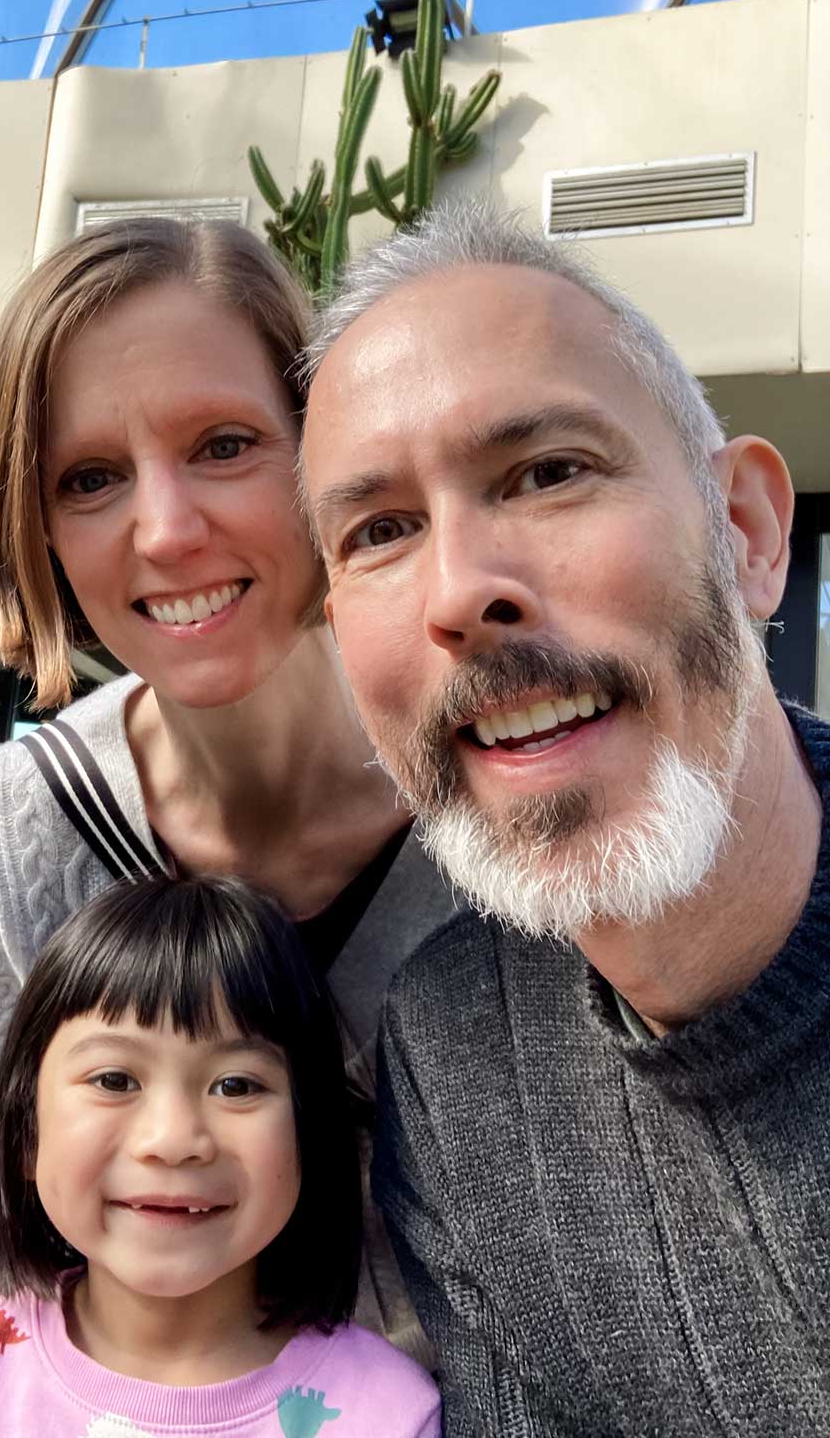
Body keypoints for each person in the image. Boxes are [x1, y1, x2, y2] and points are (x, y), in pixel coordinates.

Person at [297, 201, 830, 1435]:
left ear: (746, 534)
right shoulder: (448, 1049)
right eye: (379, 532)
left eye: (547, 472)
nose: (460, 590)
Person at [0, 218, 453, 1350]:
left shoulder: (493, 780)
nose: (164, 532)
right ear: (39, 528)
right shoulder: (9, 843)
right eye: (92, 477)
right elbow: (9, 1236)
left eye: (222, 445)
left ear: (323, 447)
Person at [0, 874, 442, 1437]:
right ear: (26, 1132)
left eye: (237, 1086)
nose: (171, 1140)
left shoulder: (387, 1412)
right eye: (115, 1079)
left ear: (309, 1135)